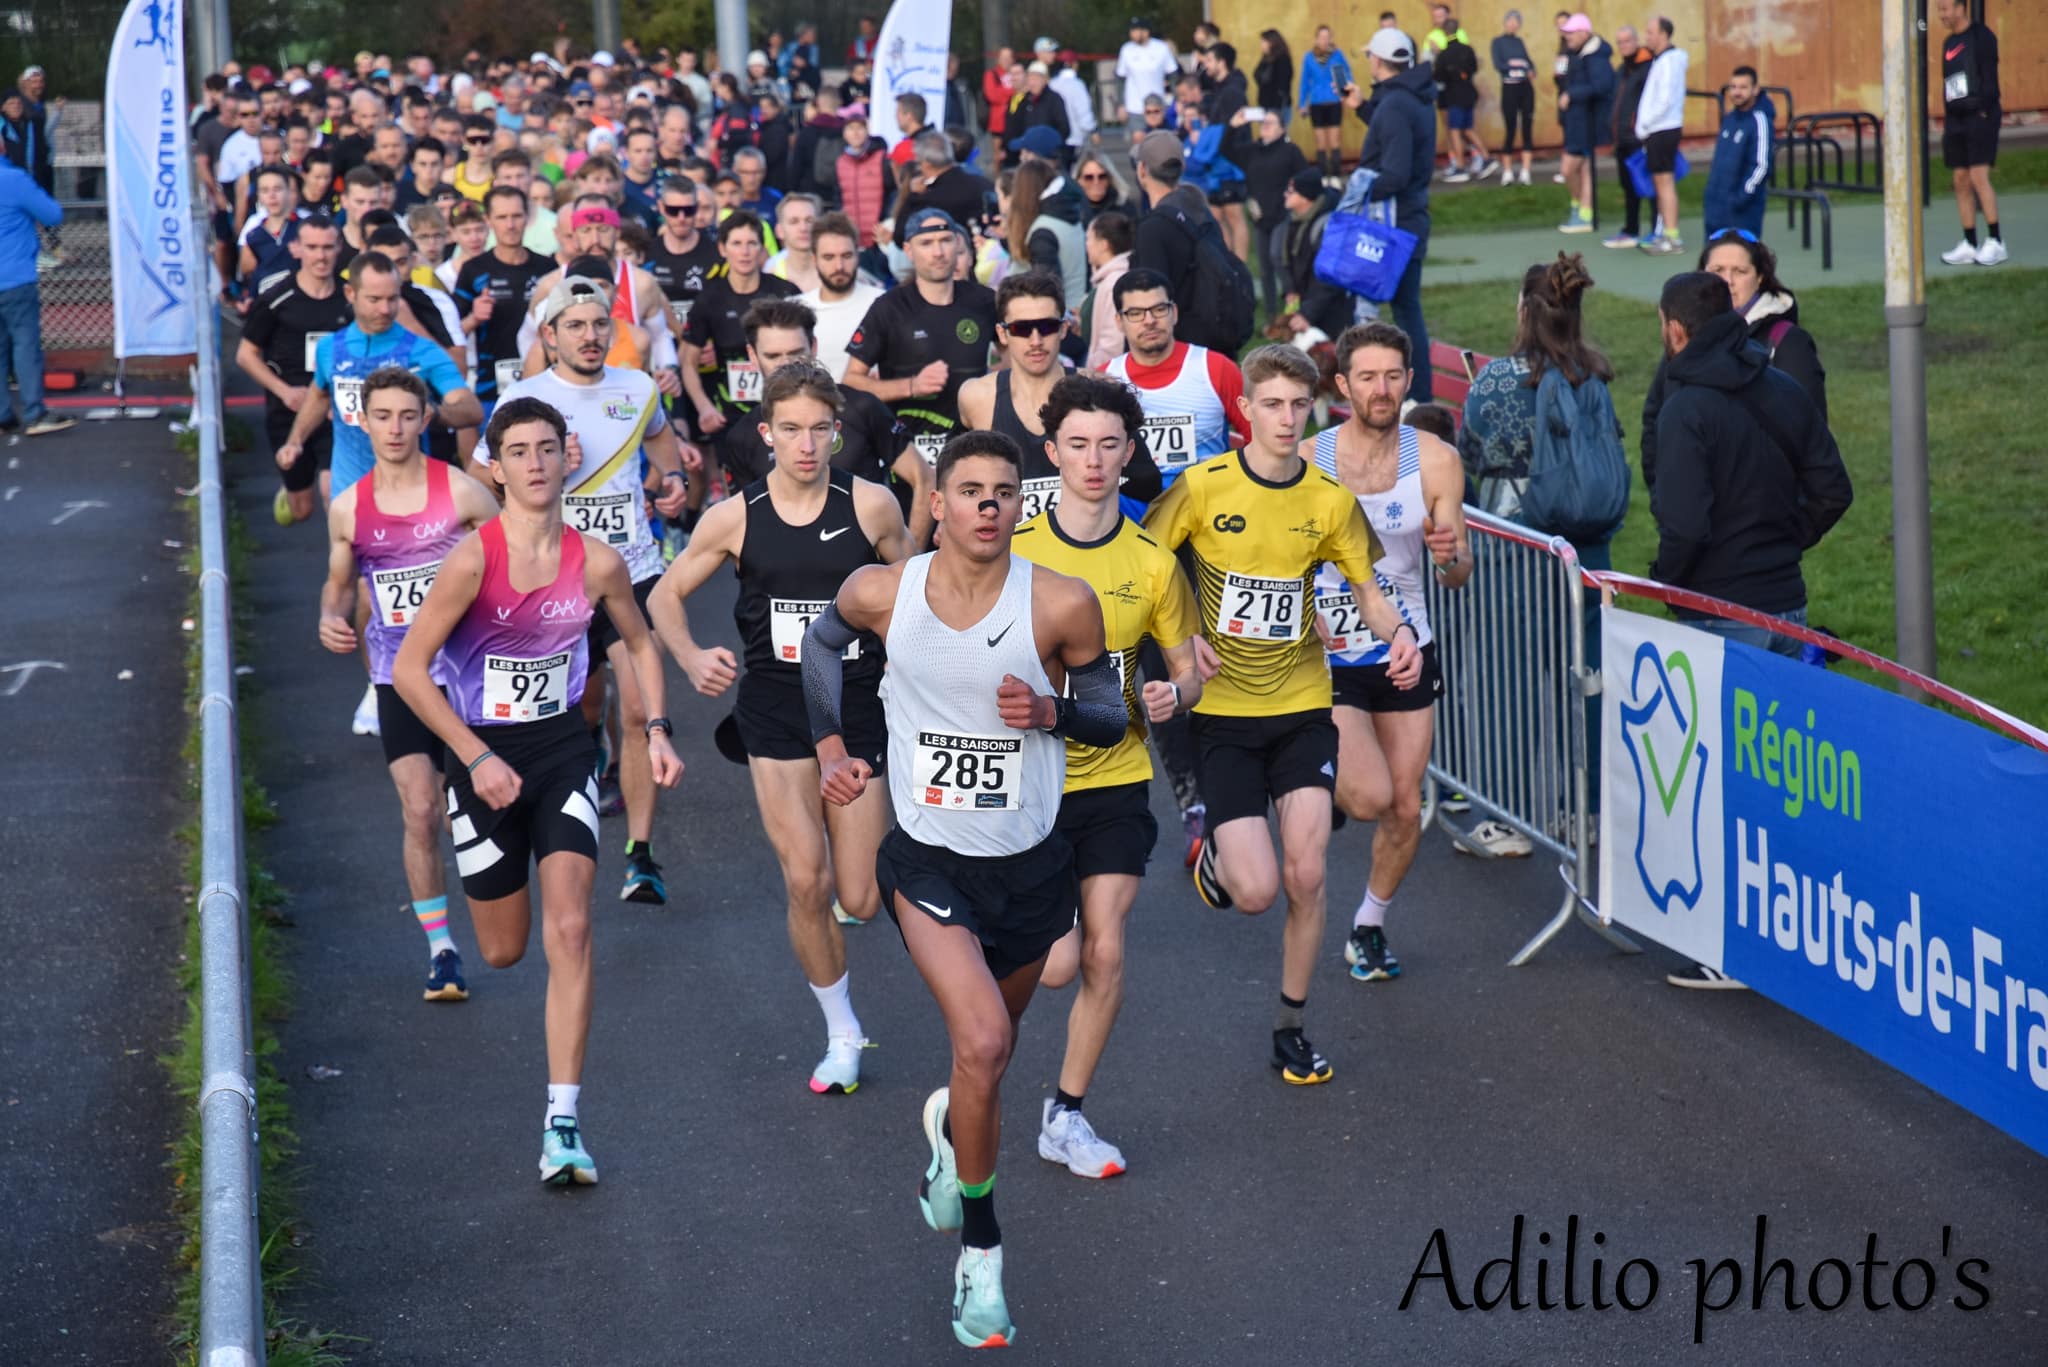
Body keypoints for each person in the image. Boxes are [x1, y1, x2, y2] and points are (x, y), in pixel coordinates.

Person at [799, 430, 1123, 1349]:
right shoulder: (882, 591)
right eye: (969, 489)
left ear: (1023, 504)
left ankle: (949, 1125)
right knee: (980, 1038)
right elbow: (821, 652)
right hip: (930, 860)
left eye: (1004, 491)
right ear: (936, 503)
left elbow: (1108, 713)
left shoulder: (1062, 602)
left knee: (993, 1053)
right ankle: (980, 1250)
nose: (988, 504)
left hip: (1030, 866)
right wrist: (831, 747)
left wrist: (1052, 710)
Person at [393, 395, 684, 1183]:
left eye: (546, 448)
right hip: (483, 758)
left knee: (572, 931)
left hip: (561, 752)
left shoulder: (596, 561)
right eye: (516, 451)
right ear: (494, 465)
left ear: (568, 457)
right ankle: (470, 894)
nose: (533, 463)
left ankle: (562, 1119)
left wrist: (655, 726)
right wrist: (473, 754)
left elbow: (640, 639)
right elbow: (409, 671)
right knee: (504, 947)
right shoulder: (471, 561)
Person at [1144, 345, 1420, 1084]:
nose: (1286, 418)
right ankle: (1215, 859)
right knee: (1257, 891)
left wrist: (1398, 634)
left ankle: (1290, 1027)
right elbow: (1145, 566)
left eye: (1299, 406)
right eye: (1271, 403)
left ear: (1313, 410)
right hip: (1224, 715)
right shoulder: (1202, 488)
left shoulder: (1329, 500)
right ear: (1245, 410)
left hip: (1302, 706)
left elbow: (1368, 587)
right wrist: (1183, 634)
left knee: (1307, 874)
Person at [649, 357, 912, 1092]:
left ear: (837, 433)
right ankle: (841, 1029)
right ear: (766, 433)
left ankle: (848, 998)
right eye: (790, 430)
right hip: (774, 706)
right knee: (806, 878)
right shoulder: (736, 515)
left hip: (856, 705)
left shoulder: (871, 506)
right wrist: (692, 654)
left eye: (819, 430)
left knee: (859, 895)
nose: (805, 444)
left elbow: (916, 594)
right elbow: (665, 597)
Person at [1013, 372, 1203, 1178]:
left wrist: (1176, 690)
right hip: (1028, 783)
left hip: (1117, 776)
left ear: (1132, 455)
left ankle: (1068, 1112)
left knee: (1106, 950)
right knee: (1053, 962)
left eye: (1110, 446)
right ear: (1053, 453)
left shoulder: (1154, 563)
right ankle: (974, 1076)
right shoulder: (1014, 552)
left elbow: (1195, 670)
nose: (1094, 461)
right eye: (1079, 445)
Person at [488, 276, 693, 903]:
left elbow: (660, 439)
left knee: (638, 709)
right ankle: (578, 769)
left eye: (600, 324)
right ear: (549, 336)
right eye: (575, 325)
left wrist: (674, 475)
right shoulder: (523, 399)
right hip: (556, 578)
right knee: (578, 709)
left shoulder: (634, 388)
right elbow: (487, 485)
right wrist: (548, 470)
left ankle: (640, 855)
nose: (590, 336)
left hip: (630, 570)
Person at [317, 367, 501, 1001]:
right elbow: (338, 587)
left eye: (406, 416)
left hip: (470, 678)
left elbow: (509, 566)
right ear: (361, 422)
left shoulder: (464, 495)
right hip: (400, 678)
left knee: (473, 809)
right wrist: (329, 619)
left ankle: (500, 898)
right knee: (421, 809)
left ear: (425, 420)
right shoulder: (349, 508)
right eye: (382, 416)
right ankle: (442, 951)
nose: (394, 428)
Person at [1310, 323, 1471, 981]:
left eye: (1394, 376)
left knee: (1407, 808)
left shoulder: (1434, 459)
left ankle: (1368, 926)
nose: (1382, 390)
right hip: (1329, 654)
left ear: (1409, 381)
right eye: (1368, 378)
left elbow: (1457, 570)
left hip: (1406, 647)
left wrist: (1452, 555)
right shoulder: (1308, 457)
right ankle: (1314, 774)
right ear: (1343, 385)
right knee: (1372, 795)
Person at [1648, 270, 1851, 647]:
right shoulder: (1785, 389)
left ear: (1675, 330)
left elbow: (1685, 526)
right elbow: (1833, 490)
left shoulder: (1684, 411)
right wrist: (1784, 543)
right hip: (1789, 608)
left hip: (1717, 615)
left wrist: (1665, 581)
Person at [960, 271, 1163, 525]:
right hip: (1011, 557)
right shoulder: (976, 397)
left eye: (1047, 327)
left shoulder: (1098, 389)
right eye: (1021, 329)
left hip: (1087, 550)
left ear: (1064, 329)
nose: (1036, 340)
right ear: (1002, 334)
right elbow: (955, 484)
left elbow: (1147, 482)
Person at [1640, 230, 1830, 498]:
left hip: (1765, 518)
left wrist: (1790, 521)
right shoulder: (1682, 339)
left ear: (1760, 277)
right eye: (1717, 269)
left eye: (1739, 271)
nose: (1727, 281)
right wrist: (1663, 493)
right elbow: (1654, 418)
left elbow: (1811, 435)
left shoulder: (1787, 342)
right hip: (1689, 514)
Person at [842, 207, 999, 472]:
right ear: (908, 250)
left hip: (973, 448)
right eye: (926, 243)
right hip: (909, 453)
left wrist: (994, 380)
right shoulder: (889, 308)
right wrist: (911, 386)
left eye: (945, 241)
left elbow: (1012, 354)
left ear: (958, 243)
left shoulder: (984, 300)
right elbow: (851, 382)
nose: (938, 252)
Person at [1344, 28, 1440, 403]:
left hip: (1394, 225)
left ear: (1378, 61)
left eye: (1370, 56)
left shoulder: (1397, 104)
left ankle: (1417, 398)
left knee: (1404, 310)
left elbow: (1396, 172)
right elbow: (1397, 140)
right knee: (1406, 308)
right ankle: (1417, 396)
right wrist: (1365, 109)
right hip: (1409, 219)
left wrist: (1355, 190)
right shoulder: (1409, 98)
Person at [238, 215, 353, 525]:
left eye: (328, 247)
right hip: (288, 408)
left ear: (339, 248)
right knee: (302, 509)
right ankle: (289, 491)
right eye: (313, 247)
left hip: (335, 410)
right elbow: (246, 355)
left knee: (333, 492)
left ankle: (343, 568)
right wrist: (285, 392)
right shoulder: (277, 298)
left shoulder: (350, 298)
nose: (321, 255)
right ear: (296, 249)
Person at [680, 210, 802, 481]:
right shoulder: (710, 298)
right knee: (737, 491)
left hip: (784, 407)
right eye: (736, 243)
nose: (745, 252)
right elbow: (687, 361)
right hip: (731, 416)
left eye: (752, 244)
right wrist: (704, 407)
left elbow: (808, 349)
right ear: (723, 248)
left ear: (762, 249)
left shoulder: (785, 293)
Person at [453, 187, 552, 413]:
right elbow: (451, 336)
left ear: (527, 218)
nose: (510, 225)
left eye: (516, 216)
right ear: (488, 220)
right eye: (502, 217)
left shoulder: (547, 268)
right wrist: (474, 319)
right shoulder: (473, 271)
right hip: (491, 390)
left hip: (544, 386)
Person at [0, 140, 68, 435]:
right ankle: (33, 412)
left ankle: (2, 415)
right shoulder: (14, 180)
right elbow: (53, 214)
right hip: (15, 275)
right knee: (25, 345)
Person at [1936, 0, 2006, 267]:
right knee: (1960, 179)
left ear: (1960, 7)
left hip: (1981, 118)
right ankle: (1969, 242)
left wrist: (1984, 111)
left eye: (1945, 9)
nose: (1942, 15)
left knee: (1979, 176)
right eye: (1939, 10)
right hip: (1956, 121)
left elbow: (1990, 80)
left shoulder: (1982, 37)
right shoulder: (1948, 44)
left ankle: (1996, 241)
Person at [800, 211, 885, 381]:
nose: (839, 266)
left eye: (846, 256)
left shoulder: (883, 303)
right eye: (829, 257)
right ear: (814, 259)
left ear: (857, 255)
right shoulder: (797, 309)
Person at [1241, 111, 1309, 320]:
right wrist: (1235, 126)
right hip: (1260, 218)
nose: (1264, 126)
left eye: (1270, 123)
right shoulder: (1254, 150)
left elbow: (1304, 179)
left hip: (1283, 214)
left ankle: (1293, 307)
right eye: (1263, 123)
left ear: (1282, 128)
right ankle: (1271, 315)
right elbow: (1228, 151)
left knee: (1277, 257)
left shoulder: (1291, 151)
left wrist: (1292, 202)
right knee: (1264, 267)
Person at [1002, 160, 1087, 320]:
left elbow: (1047, 289)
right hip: (1077, 310)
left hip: (1061, 321)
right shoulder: (1071, 218)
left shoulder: (1043, 232)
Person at [1278, 169, 1353, 344]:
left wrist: (1308, 313)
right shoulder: (1295, 221)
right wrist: (1291, 292)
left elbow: (1329, 278)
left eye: (1291, 191)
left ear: (1305, 197)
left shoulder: (1327, 227)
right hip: (1308, 307)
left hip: (1332, 313)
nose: (1285, 194)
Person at [1555, 14, 1615, 235]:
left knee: (1569, 168)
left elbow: (1602, 86)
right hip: (1576, 121)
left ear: (1583, 33)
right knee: (1582, 169)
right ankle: (1582, 211)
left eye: (1571, 32)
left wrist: (1572, 94)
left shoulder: (1596, 57)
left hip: (1588, 123)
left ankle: (1582, 211)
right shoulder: (1574, 54)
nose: (1567, 36)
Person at [1634, 16, 1689, 255]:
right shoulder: (1662, 61)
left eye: (1651, 32)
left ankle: (1672, 236)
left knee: (1665, 183)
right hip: (1658, 129)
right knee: (1660, 183)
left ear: (1664, 35)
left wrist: (1645, 124)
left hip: (1662, 129)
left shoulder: (1668, 62)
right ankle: (1666, 233)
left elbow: (1664, 100)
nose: (1647, 37)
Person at [1702, 66, 1773, 242]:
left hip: (1742, 212)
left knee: (1742, 262)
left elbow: (1761, 165)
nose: (1736, 92)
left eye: (1743, 87)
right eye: (1733, 87)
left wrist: (1741, 197)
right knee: (1711, 263)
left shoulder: (1759, 120)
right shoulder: (1730, 119)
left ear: (1755, 90)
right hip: (1715, 207)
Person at [1604, 25, 1651, 247]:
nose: (1623, 45)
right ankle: (1631, 229)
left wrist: (1640, 130)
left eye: (1627, 41)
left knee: (1649, 186)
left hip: (1639, 138)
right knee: (1628, 186)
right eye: (1619, 42)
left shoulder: (1647, 67)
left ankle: (1658, 229)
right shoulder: (1621, 70)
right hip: (1621, 139)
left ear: (1636, 40)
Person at [1432, 18, 1495, 181]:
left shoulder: (1444, 55)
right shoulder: (1468, 49)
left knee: (1454, 130)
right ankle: (1487, 158)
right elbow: (1473, 68)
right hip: (1469, 93)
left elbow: (1438, 76)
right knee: (1467, 128)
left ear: (1445, 32)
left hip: (1454, 95)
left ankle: (1460, 167)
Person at [1297, 26, 1354, 184]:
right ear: (1316, 39)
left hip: (1334, 101)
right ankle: (1323, 176)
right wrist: (1302, 102)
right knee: (1320, 142)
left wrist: (1346, 93)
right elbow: (1304, 82)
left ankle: (1335, 176)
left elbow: (1347, 73)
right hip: (1316, 103)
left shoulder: (1337, 55)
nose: (1324, 40)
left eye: (1327, 37)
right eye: (1321, 37)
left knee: (1334, 141)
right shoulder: (1309, 57)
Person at [1082, 212, 1134, 372]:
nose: (1086, 245)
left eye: (1089, 238)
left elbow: (1113, 344)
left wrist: (1092, 372)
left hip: (1104, 380)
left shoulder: (1114, 283)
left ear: (1103, 244)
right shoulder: (1107, 279)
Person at [1492, 11, 1537, 186]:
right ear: (1505, 23)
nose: (1513, 24)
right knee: (1510, 128)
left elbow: (1529, 63)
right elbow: (1500, 64)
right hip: (1509, 88)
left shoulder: (1519, 42)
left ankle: (1526, 172)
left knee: (1527, 128)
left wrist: (1530, 69)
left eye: (1516, 22)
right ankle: (1508, 172)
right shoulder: (1498, 42)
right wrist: (1517, 68)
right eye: (1510, 21)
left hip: (1525, 88)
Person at [1117, 19, 1180, 140]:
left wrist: (1176, 100)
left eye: (1136, 30)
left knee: (1160, 139)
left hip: (1157, 104)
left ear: (1145, 32)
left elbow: (1173, 74)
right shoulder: (1126, 50)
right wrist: (1121, 104)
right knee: (1138, 140)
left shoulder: (1161, 48)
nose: (1133, 34)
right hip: (1135, 106)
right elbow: (1120, 78)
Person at [764, 192, 824, 292]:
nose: (803, 228)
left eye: (809, 220)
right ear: (779, 230)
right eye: (794, 221)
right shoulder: (771, 271)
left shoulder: (836, 268)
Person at [1254, 30, 1293, 131]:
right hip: (1264, 104)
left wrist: (1278, 104)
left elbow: (1283, 83)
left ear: (1271, 42)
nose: (1261, 45)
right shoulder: (1265, 59)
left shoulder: (1282, 59)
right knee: (1265, 135)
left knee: (1277, 134)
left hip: (1278, 105)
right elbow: (1257, 75)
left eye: (1263, 42)